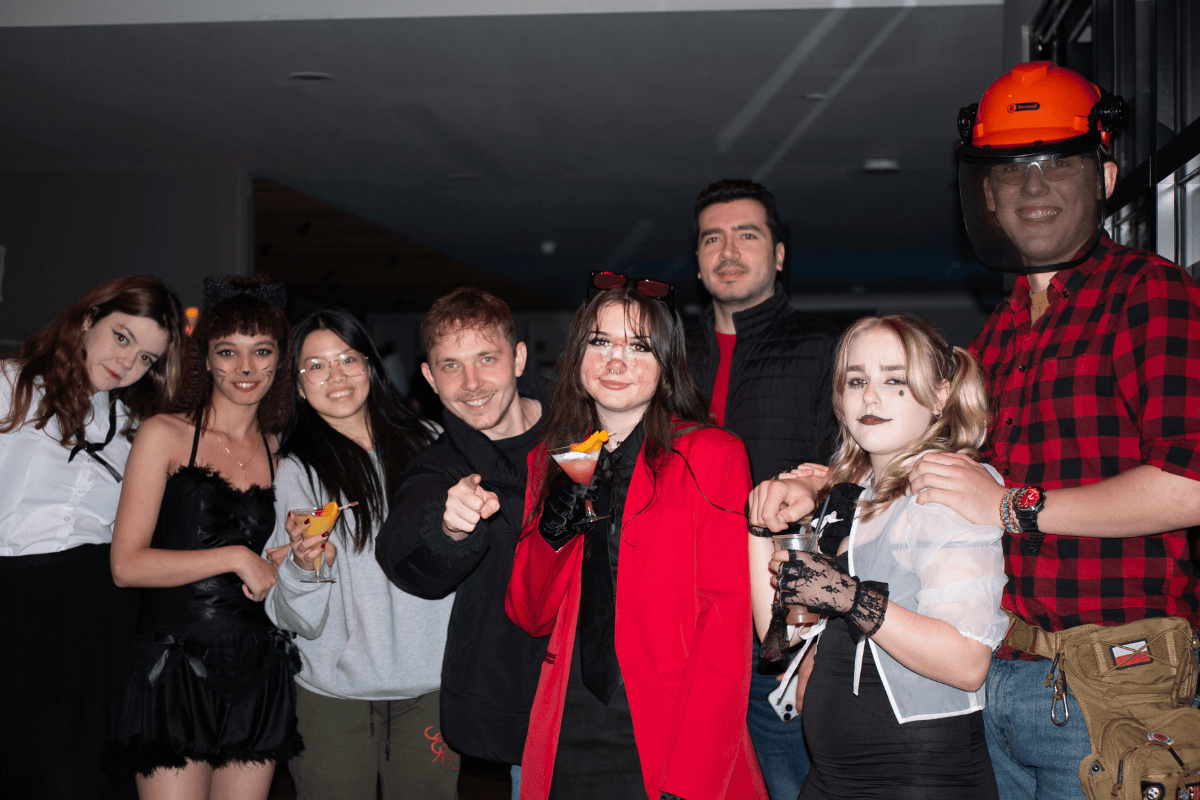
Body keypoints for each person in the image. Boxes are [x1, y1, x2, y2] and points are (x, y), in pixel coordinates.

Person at [904, 61, 1200, 800]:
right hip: (1001, 671)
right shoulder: (997, 334)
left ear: (1104, 176)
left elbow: (1189, 485)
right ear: (988, 196)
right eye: (1010, 172)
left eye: (1056, 166)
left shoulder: (1148, 290)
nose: (1032, 189)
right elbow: (956, 494)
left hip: (1120, 680)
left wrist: (1011, 506)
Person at [506, 281, 767, 800]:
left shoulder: (712, 455)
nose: (616, 360)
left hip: (671, 728)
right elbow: (530, 614)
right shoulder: (550, 462)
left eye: (639, 345)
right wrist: (550, 539)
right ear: (578, 356)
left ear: (666, 363)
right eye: (600, 342)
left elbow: (725, 628)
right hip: (569, 725)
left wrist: (691, 783)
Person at [748, 314, 1008, 798]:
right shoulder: (853, 495)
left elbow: (968, 661)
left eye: (895, 380)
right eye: (857, 380)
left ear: (940, 395)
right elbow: (778, 635)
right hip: (830, 777)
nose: (870, 396)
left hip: (917, 776)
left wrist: (848, 596)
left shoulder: (949, 487)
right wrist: (761, 524)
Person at [108, 276, 303, 800]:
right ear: (206, 359)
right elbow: (126, 565)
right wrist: (237, 556)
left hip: (257, 669)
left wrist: (285, 560)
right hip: (173, 671)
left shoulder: (280, 452)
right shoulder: (164, 433)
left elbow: (266, 568)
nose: (245, 368)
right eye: (228, 352)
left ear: (280, 360)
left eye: (261, 352)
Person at [0, 276, 184, 800]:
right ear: (87, 319)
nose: (128, 364)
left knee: (88, 776)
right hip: (17, 597)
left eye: (147, 357)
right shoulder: (9, 386)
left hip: (99, 610)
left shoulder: (135, 426)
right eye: (122, 337)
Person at [686, 178, 837, 798]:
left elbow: (857, 478)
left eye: (747, 235)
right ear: (696, 260)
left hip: (777, 628)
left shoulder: (822, 351)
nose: (728, 250)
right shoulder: (669, 360)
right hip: (686, 625)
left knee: (790, 783)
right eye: (711, 238)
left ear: (778, 255)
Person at [265, 308, 456, 799]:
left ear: (370, 365)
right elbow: (299, 620)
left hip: (430, 687)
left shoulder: (432, 444)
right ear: (299, 385)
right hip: (333, 693)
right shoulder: (296, 471)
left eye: (348, 358)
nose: (336, 376)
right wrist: (303, 567)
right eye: (316, 366)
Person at [376, 287, 547, 795]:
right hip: (528, 702)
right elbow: (403, 556)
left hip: (625, 692)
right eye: (450, 366)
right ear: (429, 377)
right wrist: (449, 528)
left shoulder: (584, 424)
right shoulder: (441, 465)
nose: (471, 384)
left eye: (486, 359)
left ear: (517, 358)